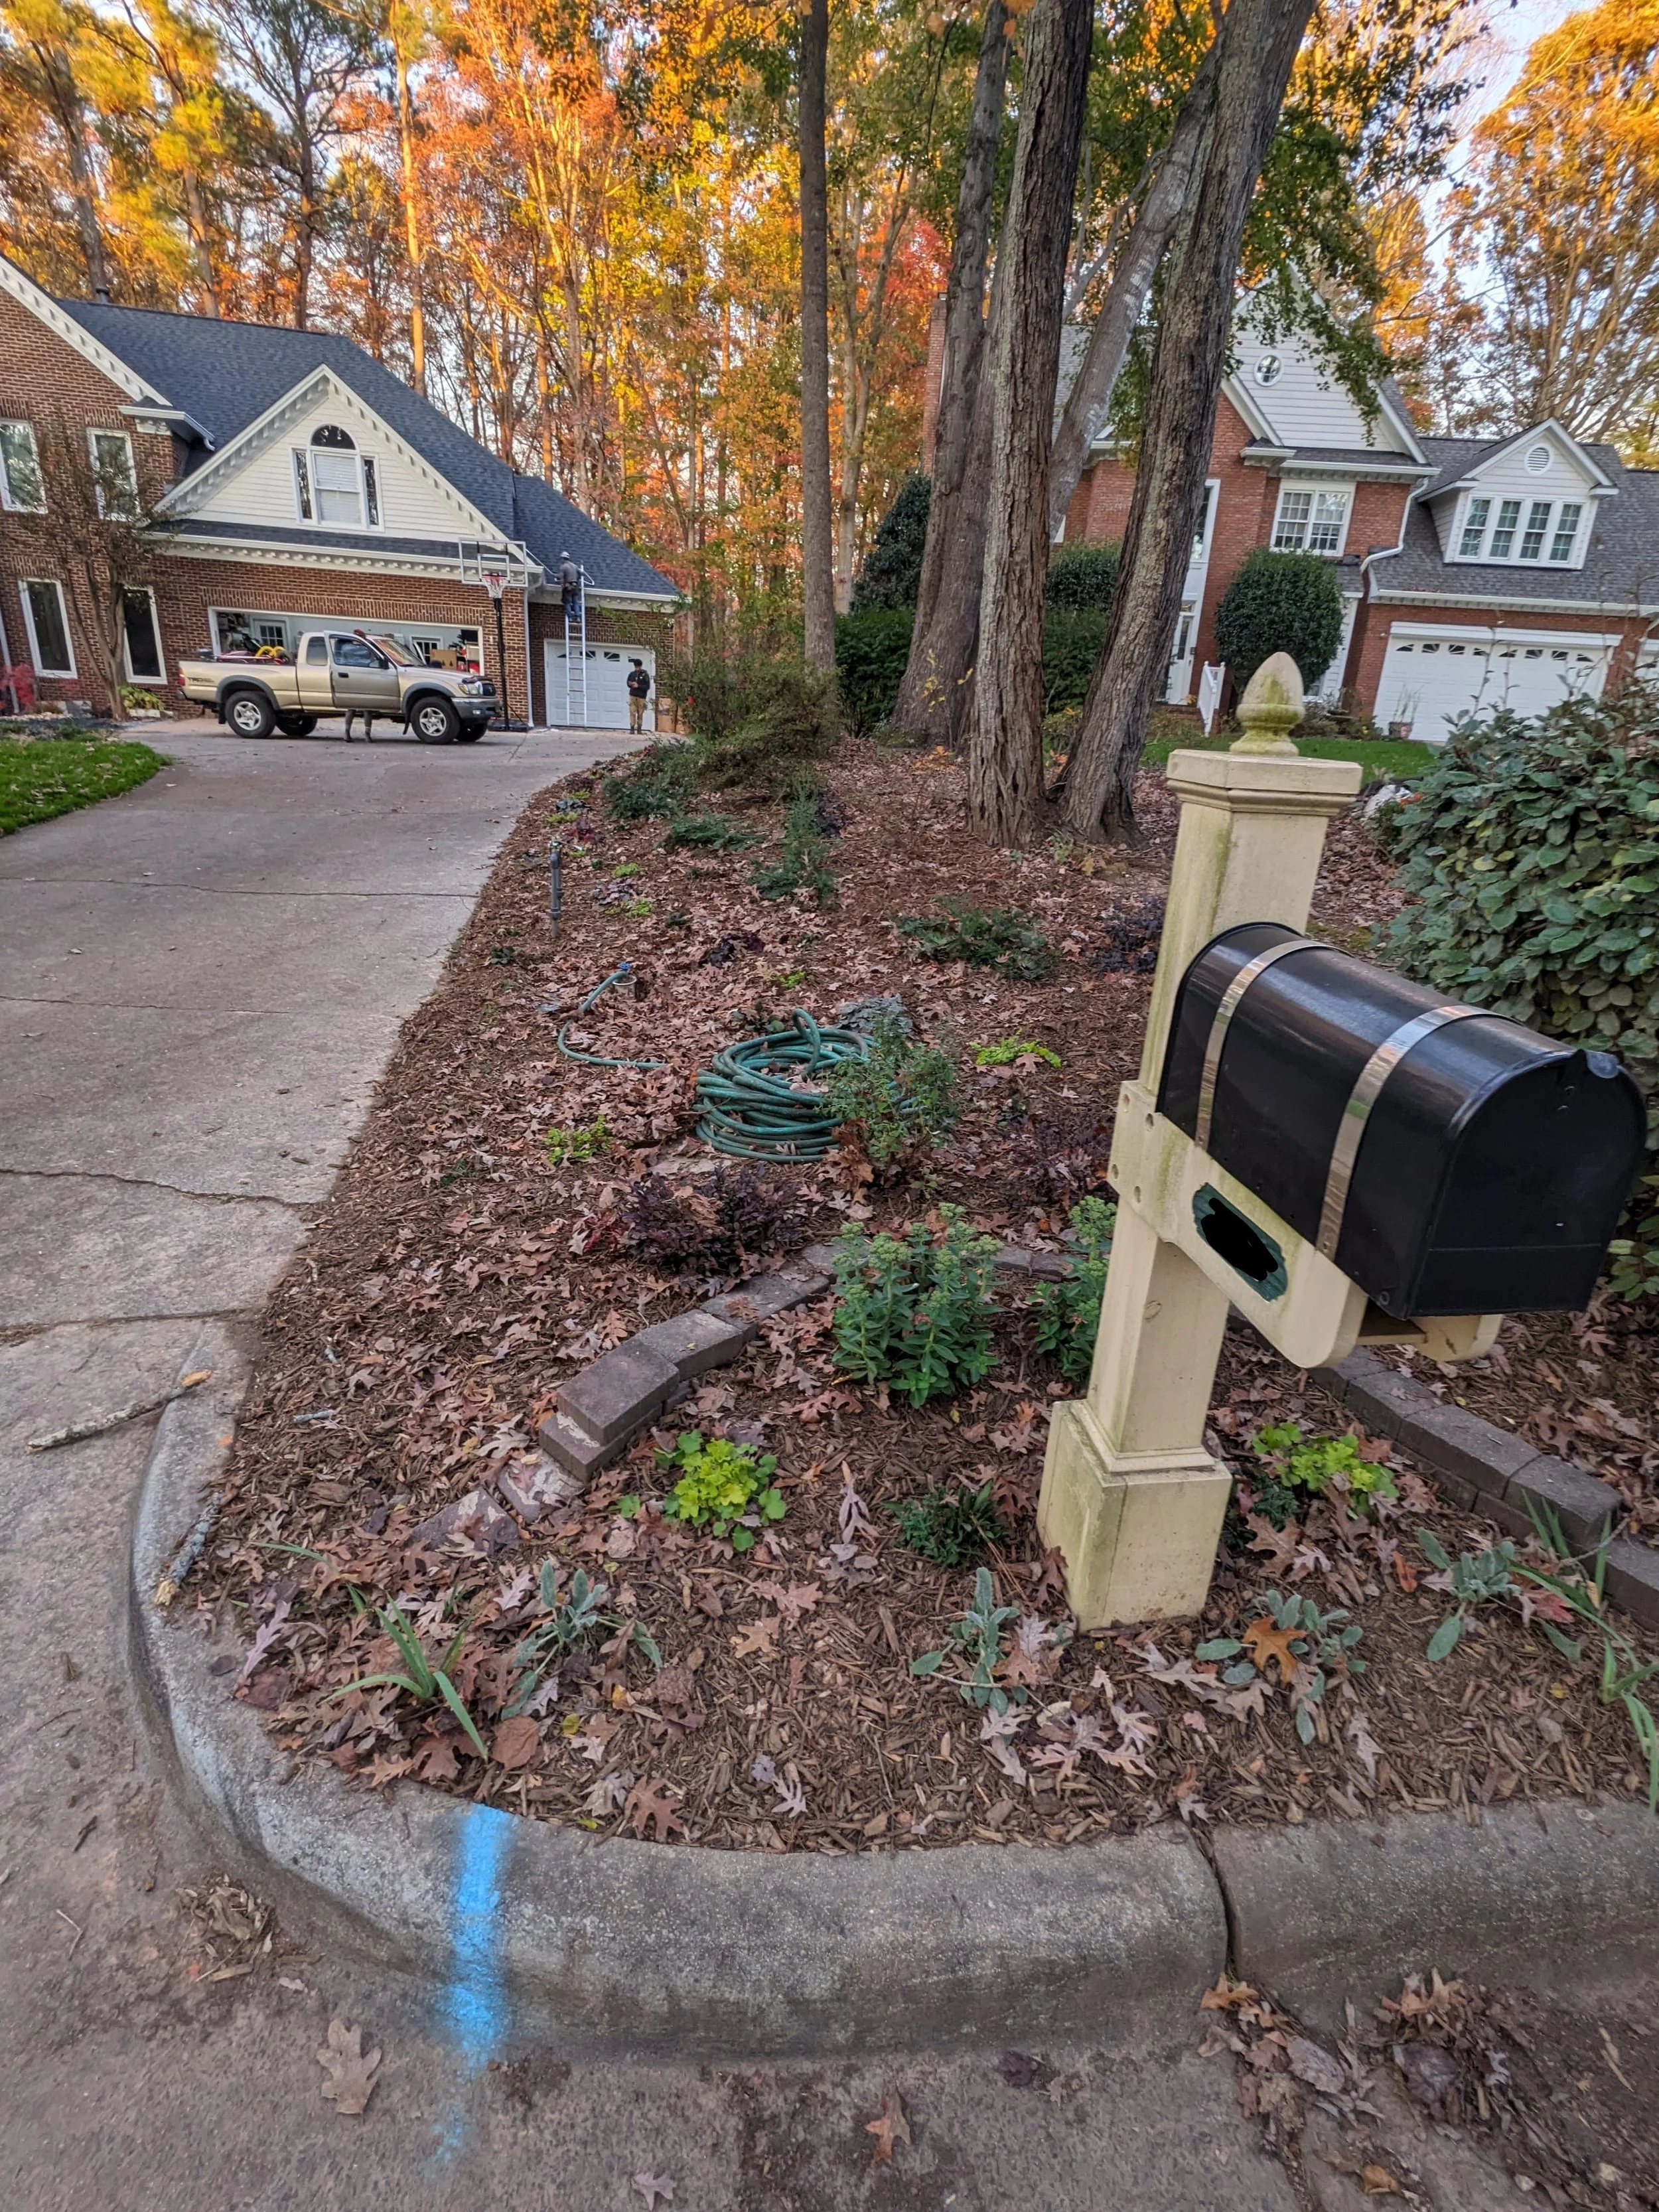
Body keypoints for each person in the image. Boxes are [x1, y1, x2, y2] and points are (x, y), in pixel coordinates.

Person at [626, 657, 651, 733]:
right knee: (632, 712)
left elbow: (647, 686)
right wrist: (631, 684)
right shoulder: (632, 674)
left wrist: (639, 686)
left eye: (638, 667)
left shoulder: (645, 675)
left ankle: (639, 728)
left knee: (640, 713)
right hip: (633, 695)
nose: (637, 668)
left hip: (641, 697)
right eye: (636, 667)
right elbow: (628, 683)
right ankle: (632, 728)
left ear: (641, 666)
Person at [559, 552, 581, 620]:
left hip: (568, 587)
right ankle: (578, 617)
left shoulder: (563, 567)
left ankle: (570, 618)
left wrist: (562, 584)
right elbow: (580, 574)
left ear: (563, 559)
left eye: (561, 559)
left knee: (567, 602)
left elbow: (561, 577)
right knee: (576, 602)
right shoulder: (575, 566)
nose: (561, 561)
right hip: (575, 586)